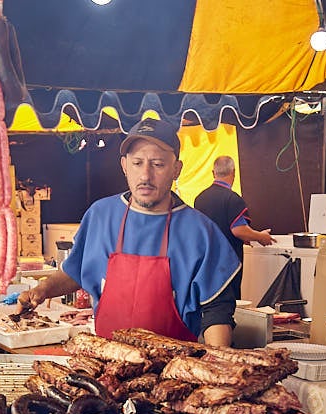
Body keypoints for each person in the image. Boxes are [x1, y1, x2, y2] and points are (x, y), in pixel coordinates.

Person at [17, 118, 240, 345]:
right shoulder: (100, 216)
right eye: (137, 163)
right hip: (107, 361)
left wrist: (217, 365)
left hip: (171, 368)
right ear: (124, 165)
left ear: (176, 169)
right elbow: (76, 272)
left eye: (158, 164)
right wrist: (42, 290)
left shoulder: (200, 232)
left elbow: (217, 311)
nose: (145, 175)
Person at [193, 155, 274, 298]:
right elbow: (239, 230)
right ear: (233, 173)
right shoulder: (233, 199)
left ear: (213, 173)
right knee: (228, 302)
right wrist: (261, 236)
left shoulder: (199, 199)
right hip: (228, 263)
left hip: (205, 261)